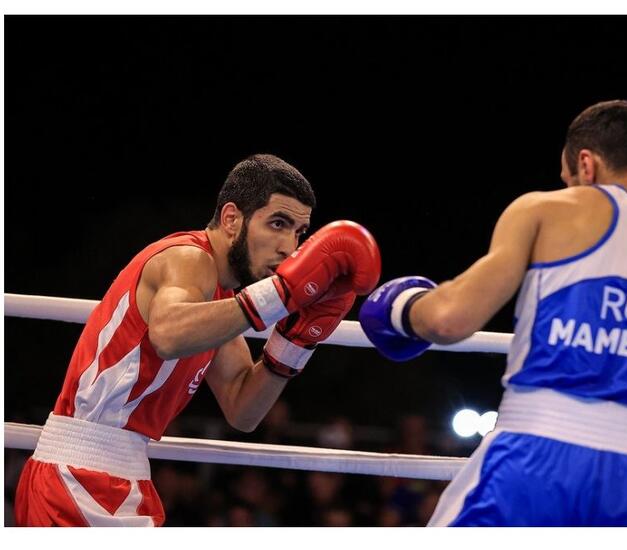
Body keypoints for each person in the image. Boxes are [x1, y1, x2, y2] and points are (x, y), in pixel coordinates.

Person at [359, 100, 627, 526]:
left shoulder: (547, 210)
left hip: (539, 456)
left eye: (568, 180)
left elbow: (448, 319)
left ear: (586, 165)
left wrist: (399, 308)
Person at [14, 153, 381, 526]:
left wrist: (295, 341)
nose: (289, 246)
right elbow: (169, 334)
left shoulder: (221, 299)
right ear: (232, 219)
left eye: (298, 232)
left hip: (120, 476)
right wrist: (282, 295)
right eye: (277, 223)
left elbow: (243, 410)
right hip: (78, 476)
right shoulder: (189, 259)